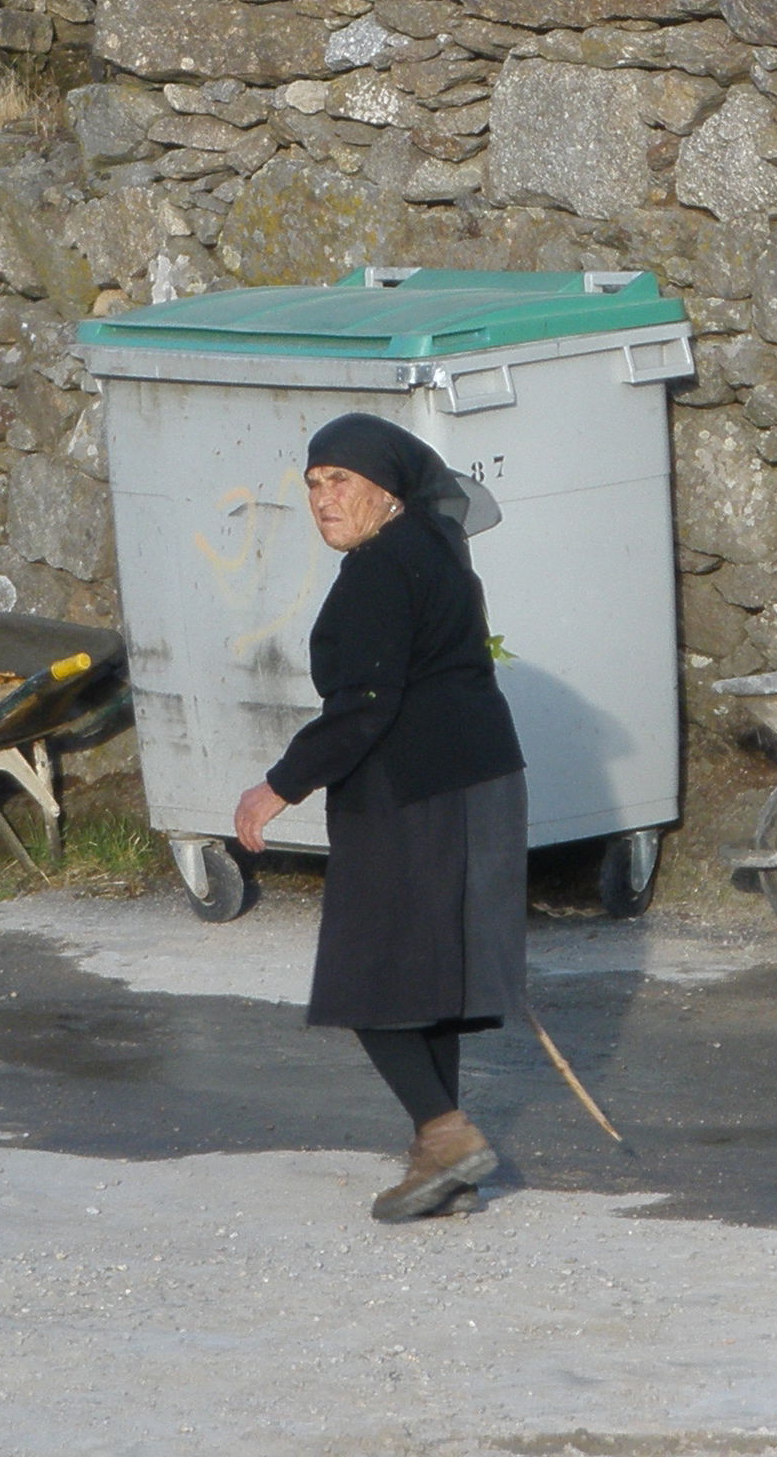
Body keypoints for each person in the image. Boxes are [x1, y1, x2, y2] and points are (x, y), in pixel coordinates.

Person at [234, 412, 528, 1222]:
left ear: (387, 492)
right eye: (315, 485)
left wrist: (279, 786)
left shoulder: (378, 569)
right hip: (479, 782)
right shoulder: (435, 549)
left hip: (415, 790)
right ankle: (447, 1163)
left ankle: (445, 1135)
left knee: (371, 976)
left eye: (342, 483)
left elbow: (366, 700)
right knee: (430, 978)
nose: (325, 500)